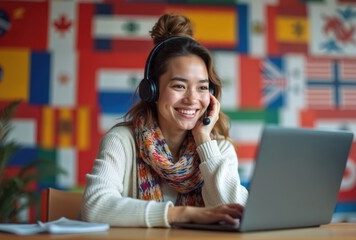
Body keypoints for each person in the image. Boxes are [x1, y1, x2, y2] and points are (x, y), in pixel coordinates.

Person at [81, 13, 248, 228]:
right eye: (179, 86)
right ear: (152, 91)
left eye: (202, 87)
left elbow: (236, 213)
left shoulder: (219, 149)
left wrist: (204, 141)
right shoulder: (122, 141)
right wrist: (182, 214)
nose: (192, 99)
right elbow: (94, 206)